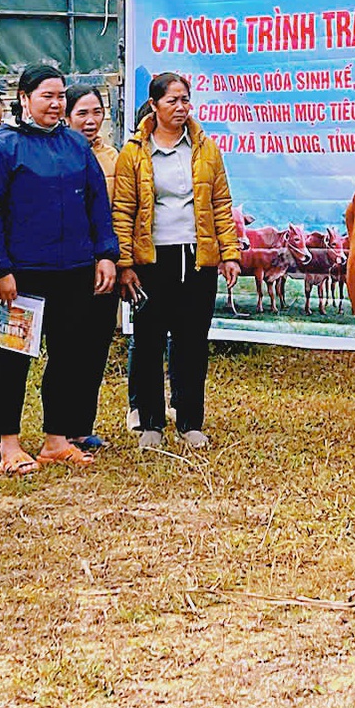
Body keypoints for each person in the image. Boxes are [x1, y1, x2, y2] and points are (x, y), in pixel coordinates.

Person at [0, 63, 119, 469]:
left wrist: (106, 254)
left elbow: (96, 204)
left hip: (74, 268)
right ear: (23, 99)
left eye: (60, 96)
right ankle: (8, 444)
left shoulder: (76, 145)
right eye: (47, 96)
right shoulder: (2, 148)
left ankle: (56, 439)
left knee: (69, 355)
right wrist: (2, 268)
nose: (56, 104)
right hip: (21, 274)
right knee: (11, 358)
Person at [112, 72, 243, 453]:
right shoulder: (134, 153)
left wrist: (229, 254)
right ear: (153, 105)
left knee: (191, 343)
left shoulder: (205, 149)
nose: (181, 107)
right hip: (151, 260)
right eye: (172, 101)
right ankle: (151, 422)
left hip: (197, 258)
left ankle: (189, 422)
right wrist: (125, 263)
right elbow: (123, 210)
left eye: (185, 100)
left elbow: (221, 204)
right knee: (150, 341)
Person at [69, 86, 119, 188]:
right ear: (66, 117)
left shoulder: (111, 155)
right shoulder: (56, 155)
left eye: (97, 112)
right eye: (82, 114)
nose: (91, 121)